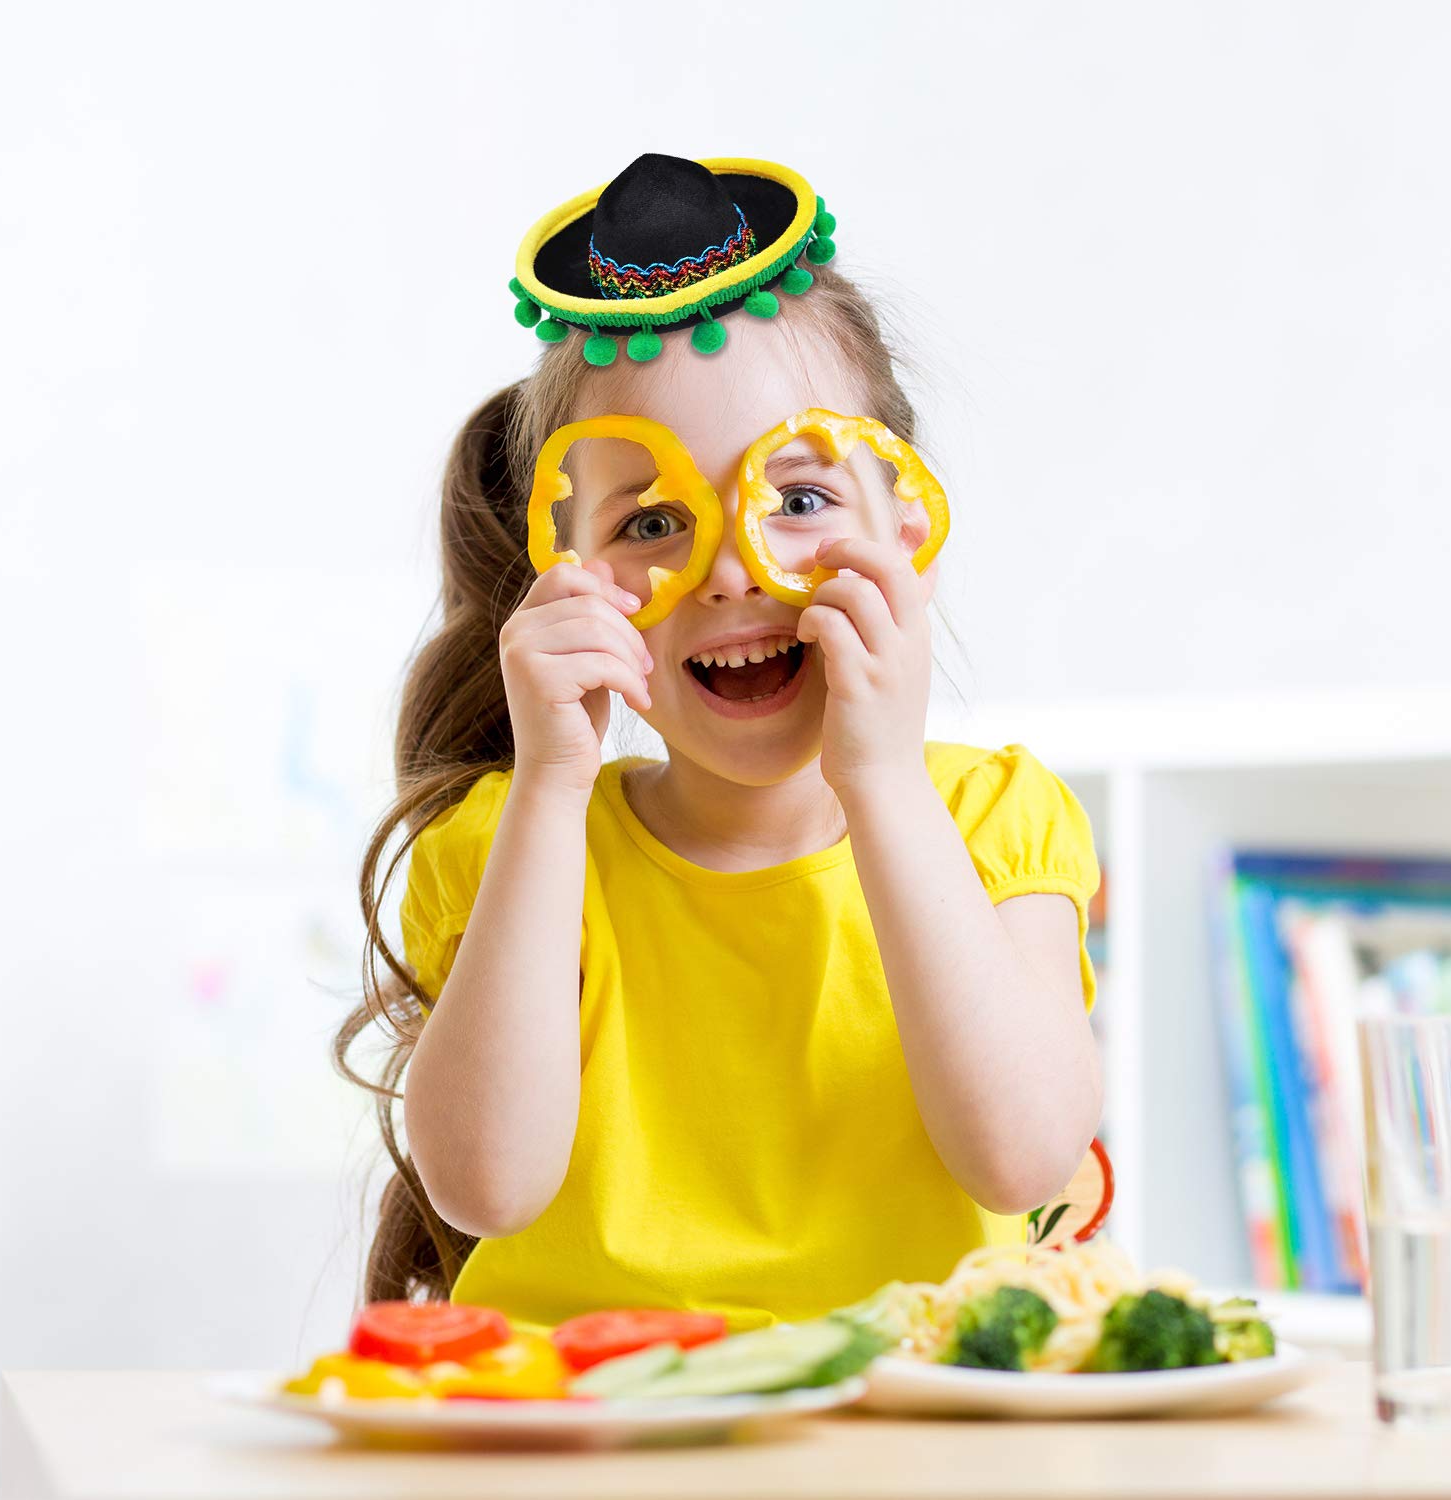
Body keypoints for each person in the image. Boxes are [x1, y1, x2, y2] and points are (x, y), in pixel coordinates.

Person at [334, 153, 1103, 1334]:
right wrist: (549, 784)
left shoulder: (998, 825)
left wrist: (884, 779)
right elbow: (485, 1184)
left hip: (900, 1441)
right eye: (652, 522)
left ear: (908, 528)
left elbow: (1023, 1160)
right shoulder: (509, 842)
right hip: (588, 1436)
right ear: (568, 574)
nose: (733, 568)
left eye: (795, 499)